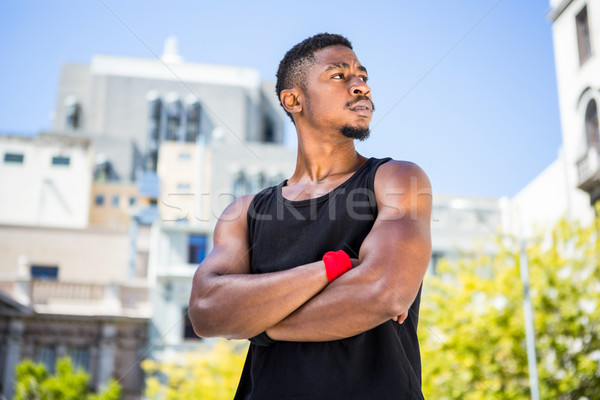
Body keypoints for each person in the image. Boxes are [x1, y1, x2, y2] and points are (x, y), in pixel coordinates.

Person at [188, 33, 432, 399]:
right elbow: (206, 311)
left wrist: (258, 323)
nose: (360, 86)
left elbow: (383, 293)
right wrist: (331, 269)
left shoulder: (397, 179)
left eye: (362, 76)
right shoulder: (243, 213)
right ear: (293, 99)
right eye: (339, 76)